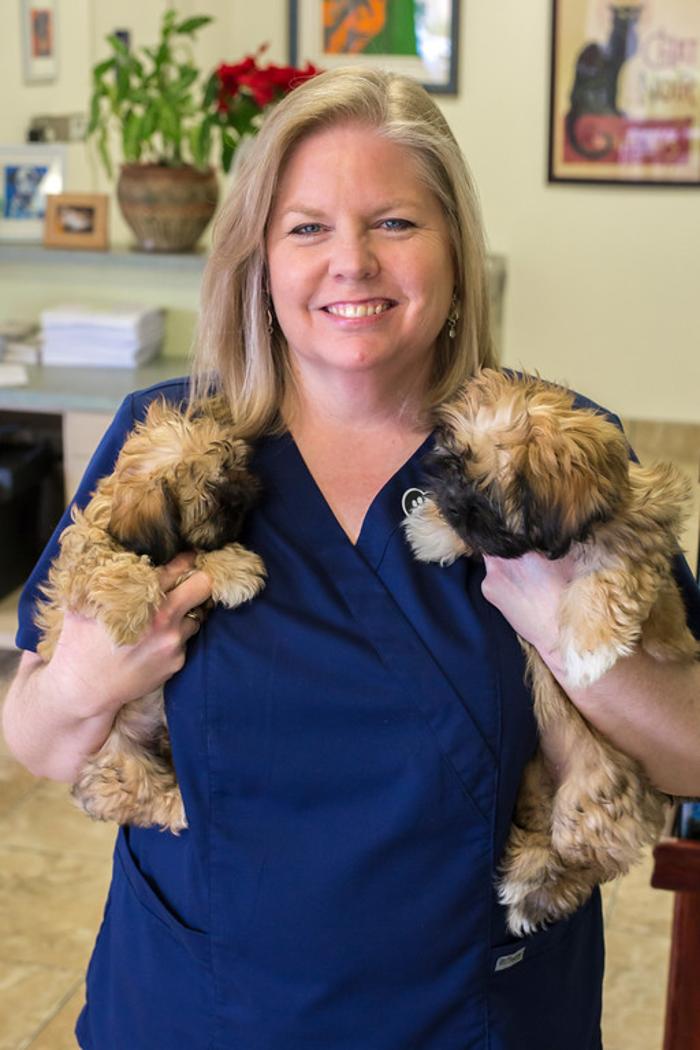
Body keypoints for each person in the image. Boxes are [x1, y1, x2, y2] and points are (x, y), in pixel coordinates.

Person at [3, 67, 700, 1050]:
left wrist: (583, 647)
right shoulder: (167, 450)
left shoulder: (548, 461)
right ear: (259, 259)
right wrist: (78, 679)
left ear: (456, 250)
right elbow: (34, 741)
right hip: (202, 1010)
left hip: (473, 1016)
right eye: (307, 228)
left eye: (395, 224)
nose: (351, 263)